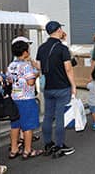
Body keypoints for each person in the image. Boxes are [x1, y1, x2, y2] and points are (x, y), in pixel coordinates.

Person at [36, 21, 76, 158]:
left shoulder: (41, 48)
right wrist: (73, 85)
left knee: (47, 116)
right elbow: (68, 68)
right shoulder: (62, 49)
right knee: (60, 117)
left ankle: (48, 144)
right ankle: (60, 146)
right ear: (59, 30)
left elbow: (39, 67)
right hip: (62, 87)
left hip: (48, 87)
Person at [7, 41, 43, 159]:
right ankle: (27, 150)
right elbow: (31, 82)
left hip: (14, 97)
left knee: (15, 125)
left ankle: (14, 149)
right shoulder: (26, 66)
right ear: (25, 52)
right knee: (28, 125)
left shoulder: (11, 65)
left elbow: (10, 80)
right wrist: (36, 74)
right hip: (26, 98)